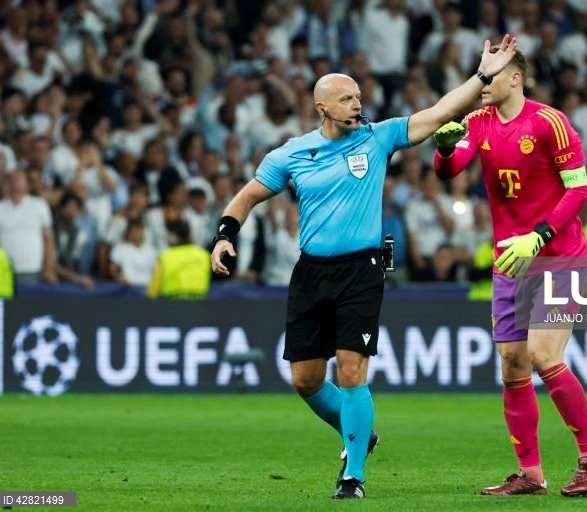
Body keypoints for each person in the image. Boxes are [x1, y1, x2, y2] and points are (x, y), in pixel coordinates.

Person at [210, 36, 518, 500]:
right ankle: (361, 433)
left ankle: (352, 475)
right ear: (322, 108)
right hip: (311, 272)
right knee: (305, 379)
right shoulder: (291, 153)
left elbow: (437, 114)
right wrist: (223, 236)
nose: (358, 104)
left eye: (358, 96)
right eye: (347, 98)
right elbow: (248, 196)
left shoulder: (378, 138)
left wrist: (481, 77)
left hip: (362, 270)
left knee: (352, 371)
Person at [432, 49, 587, 497]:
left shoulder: (549, 121)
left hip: (556, 255)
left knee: (542, 354)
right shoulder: (479, 121)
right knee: (512, 366)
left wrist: (540, 234)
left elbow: (580, 189)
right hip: (510, 260)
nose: (481, 83)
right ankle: (530, 474)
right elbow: (450, 169)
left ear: (515, 78)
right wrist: (444, 147)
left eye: (488, 76)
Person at [147, 219, 211, 299]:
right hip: (199, 304)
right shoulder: (204, 255)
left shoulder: (165, 257)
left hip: (171, 305)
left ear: (175, 236)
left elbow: (153, 291)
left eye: (169, 234)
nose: (166, 238)